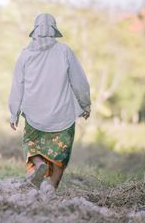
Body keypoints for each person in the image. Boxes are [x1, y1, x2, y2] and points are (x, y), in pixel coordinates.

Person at [8, 13, 91, 189]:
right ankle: (51, 189)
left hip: (34, 115)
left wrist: (13, 113)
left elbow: (17, 85)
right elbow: (79, 81)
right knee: (61, 155)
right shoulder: (64, 51)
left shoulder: (25, 54)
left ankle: (38, 166)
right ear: (54, 30)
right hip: (62, 115)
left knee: (32, 148)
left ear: (35, 31)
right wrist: (85, 104)